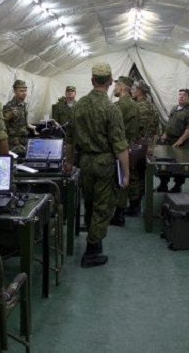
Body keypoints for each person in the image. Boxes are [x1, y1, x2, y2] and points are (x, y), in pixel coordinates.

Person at [64, 63, 130, 268]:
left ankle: (95, 238)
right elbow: (120, 146)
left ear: (92, 81)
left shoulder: (78, 106)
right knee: (103, 207)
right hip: (105, 164)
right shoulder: (112, 109)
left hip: (85, 162)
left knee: (91, 202)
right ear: (110, 81)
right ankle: (91, 252)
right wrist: (126, 173)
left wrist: (68, 162)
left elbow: (70, 139)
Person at [110, 76, 140, 227]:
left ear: (121, 87)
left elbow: (111, 128)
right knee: (123, 179)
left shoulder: (119, 106)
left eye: (116, 86)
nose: (114, 89)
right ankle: (119, 214)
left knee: (117, 181)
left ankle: (117, 215)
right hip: (129, 146)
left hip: (118, 147)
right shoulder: (135, 105)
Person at [156, 88, 189, 193]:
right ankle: (163, 184)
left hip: (181, 143)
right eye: (180, 94)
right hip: (169, 141)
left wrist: (181, 140)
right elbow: (169, 123)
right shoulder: (174, 109)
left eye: (184, 95)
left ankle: (177, 186)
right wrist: (165, 133)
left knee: (180, 166)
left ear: (188, 98)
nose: (181, 96)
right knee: (164, 163)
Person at [129, 81, 160, 215]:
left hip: (135, 146)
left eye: (133, 89)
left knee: (133, 175)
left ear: (139, 92)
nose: (132, 90)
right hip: (146, 147)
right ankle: (138, 203)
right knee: (141, 174)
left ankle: (134, 207)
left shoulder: (135, 108)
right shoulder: (153, 108)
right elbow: (156, 131)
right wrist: (151, 148)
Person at [3, 80, 38, 155]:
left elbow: (22, 120)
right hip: (15, 143)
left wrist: (31, 126)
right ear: (14, 91)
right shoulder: (9, 106)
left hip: (24, 140)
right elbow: (4, 120)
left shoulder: (23, 105)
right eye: (21, 91)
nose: (24, 93)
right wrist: (10, 115)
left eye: (25, 90)